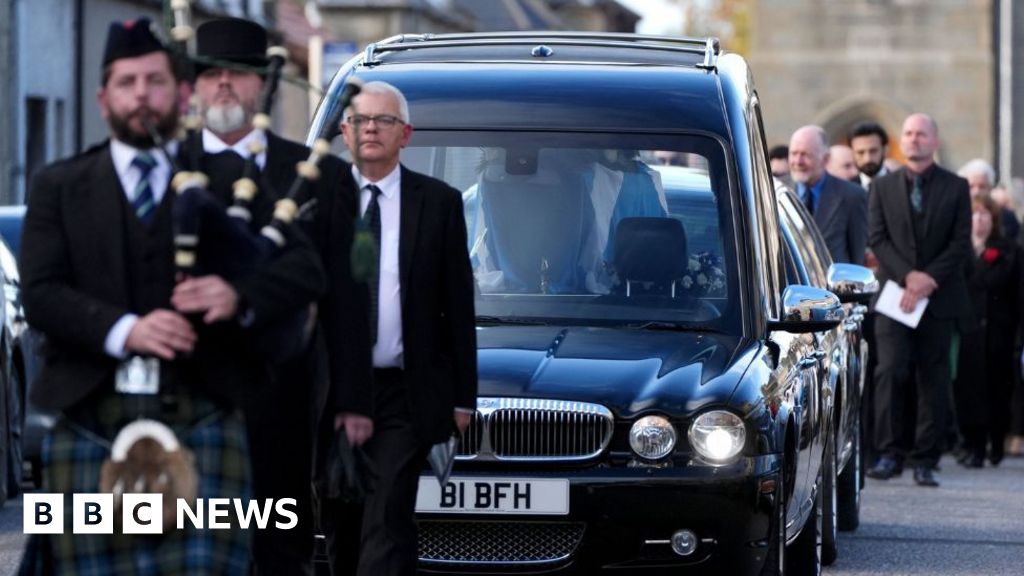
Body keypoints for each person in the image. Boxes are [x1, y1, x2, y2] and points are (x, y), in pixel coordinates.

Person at [18, 18, 321, 573]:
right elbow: (39, 294)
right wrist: (123, 329)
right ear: (103, 97)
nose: (142, 96)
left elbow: (305, 269)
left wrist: (237, 294)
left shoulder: (230, 177)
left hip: (206, 415)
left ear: (181, 93)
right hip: (88, 415)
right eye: (127, 82)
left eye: (155, 81)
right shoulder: (59, 186)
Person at [192, 17, 347, 575]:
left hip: (286, 399)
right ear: (194, 86)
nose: (224, 84)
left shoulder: (316, 174)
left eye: (238, 73)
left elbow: (340, 297)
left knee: (280, 550)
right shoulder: (166, 167)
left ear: (263, 83)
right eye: (210, 74)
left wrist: (351, 401)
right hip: (187, 396)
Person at [329, 81, 477, 576]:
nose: (371, 128)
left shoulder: (438, 203)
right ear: (345, 133)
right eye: (360, 120)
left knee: (387, 515)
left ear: (406, 134)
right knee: (342, 523)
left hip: (402, 393)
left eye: (384, 120)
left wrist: (463, 398)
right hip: (330, 394)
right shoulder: (318, 198)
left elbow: (456, 304)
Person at [866, 113, 972, 487]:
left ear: (934, 142)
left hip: (939, 298)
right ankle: (888, 453)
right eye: (908, 133)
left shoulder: (956, 187)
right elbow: (878, 238)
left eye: (921, 134)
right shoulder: (882, 188)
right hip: (895, 295)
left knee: (934, 378)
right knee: (890, 372)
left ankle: (926, 458)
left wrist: (928, 279)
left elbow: (961, 243)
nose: (913, 139)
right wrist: (909, 277)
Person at [952, 195, 1022, 467]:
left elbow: (1009, 288)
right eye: (974, 214)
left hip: (998, 332)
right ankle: (973, 444)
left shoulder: (1007, 250)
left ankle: (995, 441)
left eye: (984, 215)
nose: (978, 220)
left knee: (998, 388)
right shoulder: (958, 250)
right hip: (967, 331)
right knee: (968, 389)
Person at [788, 125, 868, 264]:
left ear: (825, 159)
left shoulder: (852, 196)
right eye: (794, 153)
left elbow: (856, 259)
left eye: (806, 155)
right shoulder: (776, 193)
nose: (798, 161)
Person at [957, 158, 1020, 240]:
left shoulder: (1006, 218)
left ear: (990, 188)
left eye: (982, 186)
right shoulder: (953, 214)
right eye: (971, 186)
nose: (976, 192)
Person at [848, 121, 890, 190]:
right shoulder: (847, 190)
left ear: (885, 150)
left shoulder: (901, 185)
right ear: (852, 153)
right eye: (860, 153)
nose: (868, 159)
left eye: (873, 151)